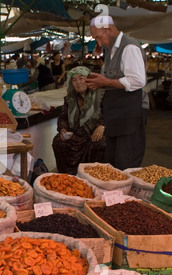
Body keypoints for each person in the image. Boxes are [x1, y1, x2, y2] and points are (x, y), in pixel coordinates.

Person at [85, 15, 148, 170]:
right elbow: (115, 78)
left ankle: (126, 193)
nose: (99, 43)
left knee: (126, 160)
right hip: (115, 113)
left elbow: (137, 80)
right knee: (113, 160)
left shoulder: (129, 47)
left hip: (129, 112)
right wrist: (100, 83)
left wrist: (106, 82)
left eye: (99, 37)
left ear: (109, 29)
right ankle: (116, 193)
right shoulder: (110, 49)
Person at [52, 66, 106, 175]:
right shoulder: (70, 99)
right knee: (58, 141)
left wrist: (102, 126)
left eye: (81, 78)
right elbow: (63, 117)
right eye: (74, 80)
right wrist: (63, 130)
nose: (78, 82)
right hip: (75, 135)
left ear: (88, 79)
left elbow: (108, 113)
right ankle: (67, 175)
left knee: (99, 143)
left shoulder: (100, 95)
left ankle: (92, 176)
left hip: (91, 134)